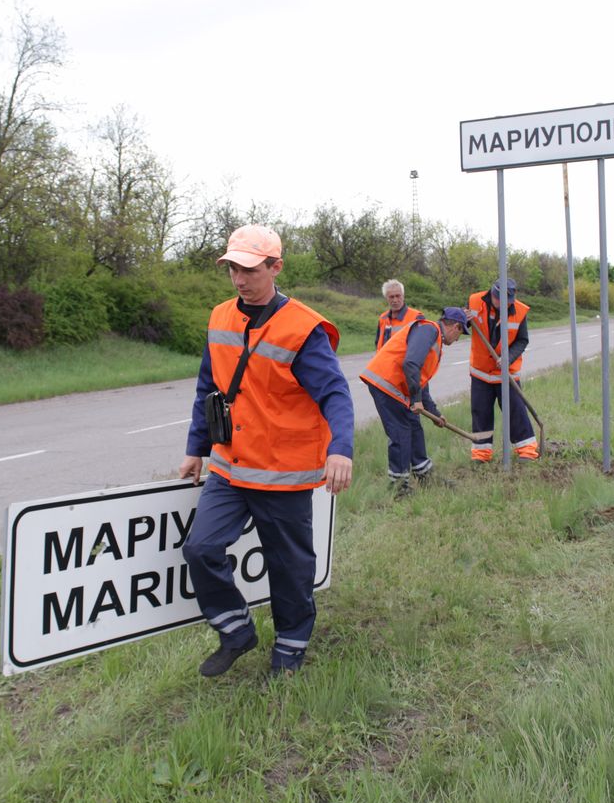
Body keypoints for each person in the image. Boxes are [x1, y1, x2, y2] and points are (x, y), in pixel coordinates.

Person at [178, 224, 355, 679]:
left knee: (290, 569)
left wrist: (341, 449)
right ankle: (236, 631)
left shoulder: (303, 328)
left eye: (250, 270)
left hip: (284, 473)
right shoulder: (220, 317)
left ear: (275, 267)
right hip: (230, 467)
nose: (240, 279)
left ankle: (289, 651)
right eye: (233, 269)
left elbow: (335, 393)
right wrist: (195, 448)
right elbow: (208, 386)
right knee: (200, 548)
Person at [360, 307, 469, 496]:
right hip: (385, 384)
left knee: (414, 427)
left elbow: (420, 380)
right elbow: (410, 363)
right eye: (461, 333)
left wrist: (434, 413)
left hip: (395, 388)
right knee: (400, 432)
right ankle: (399, 487)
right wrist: (416, 400)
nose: (459, 338)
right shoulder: (429, 330)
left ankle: (424, 474)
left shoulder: (433, 338)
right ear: (456, 327)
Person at [466, 277, 539, 462]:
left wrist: (508, 357)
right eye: (499, 300)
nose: (503, 305)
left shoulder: (520, 311)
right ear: (493, 294)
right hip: (481, 372)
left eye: (508, 301)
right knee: (480, 413)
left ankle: (527, 450)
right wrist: (463, 319)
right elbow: (463, 325)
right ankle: (481, 454)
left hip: (506, 373)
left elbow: (522, 340)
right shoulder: (475, 301)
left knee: (516, 411)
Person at [374, 279, 424, 350]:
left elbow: (421, 345)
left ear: (403, 296)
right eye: (391, 297)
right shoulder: (383, 318)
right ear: (386, 298)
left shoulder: (416, 317)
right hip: (384, 360)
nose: (395, 300)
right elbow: (378, 342)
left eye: (398, 296)